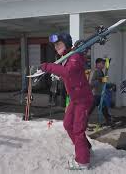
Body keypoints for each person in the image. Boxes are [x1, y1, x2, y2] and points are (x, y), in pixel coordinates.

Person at [40, 33, 94, 170]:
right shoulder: (65, 58)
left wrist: (48, 67)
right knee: (67, 124)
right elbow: (69, 75)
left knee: (77, 129)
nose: (56, 47)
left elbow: (68, 72)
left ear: (67, 44)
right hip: (75, 99)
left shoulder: (74, 56)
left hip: (83, 99)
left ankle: (83, 162)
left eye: (59, 44)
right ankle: (85, 149)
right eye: (55, 45)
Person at [89, 58, 112, 126]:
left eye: (104, 64)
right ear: (97, 64)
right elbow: (91, 83)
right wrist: (100, 79)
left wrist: (108, 85)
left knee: (104, 107)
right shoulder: (94, 71)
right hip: (94, 94)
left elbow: (102, 83)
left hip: (99, 94)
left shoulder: (101, 71)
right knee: (89, 110)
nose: (103, 65)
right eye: (102, 63)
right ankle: (82, 122)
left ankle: (108, 120)